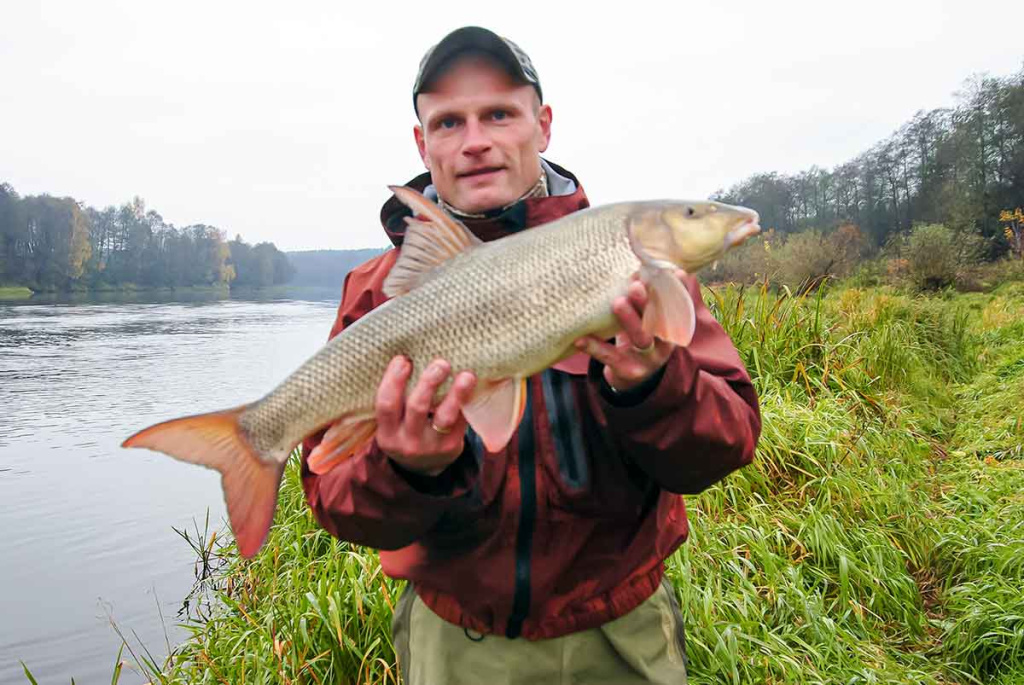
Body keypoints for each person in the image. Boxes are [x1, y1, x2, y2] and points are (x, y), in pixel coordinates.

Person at [301, 26, 761, 685]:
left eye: (499, 114)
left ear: (542, 125)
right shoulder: (377, 293)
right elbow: (336, 500)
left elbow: (726, 445)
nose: (475, 141)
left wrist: (653, 385)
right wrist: (408, 469)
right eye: (449, 122)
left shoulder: (640, 277)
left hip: (621, 635)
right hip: (454, 643)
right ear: (422, 143)